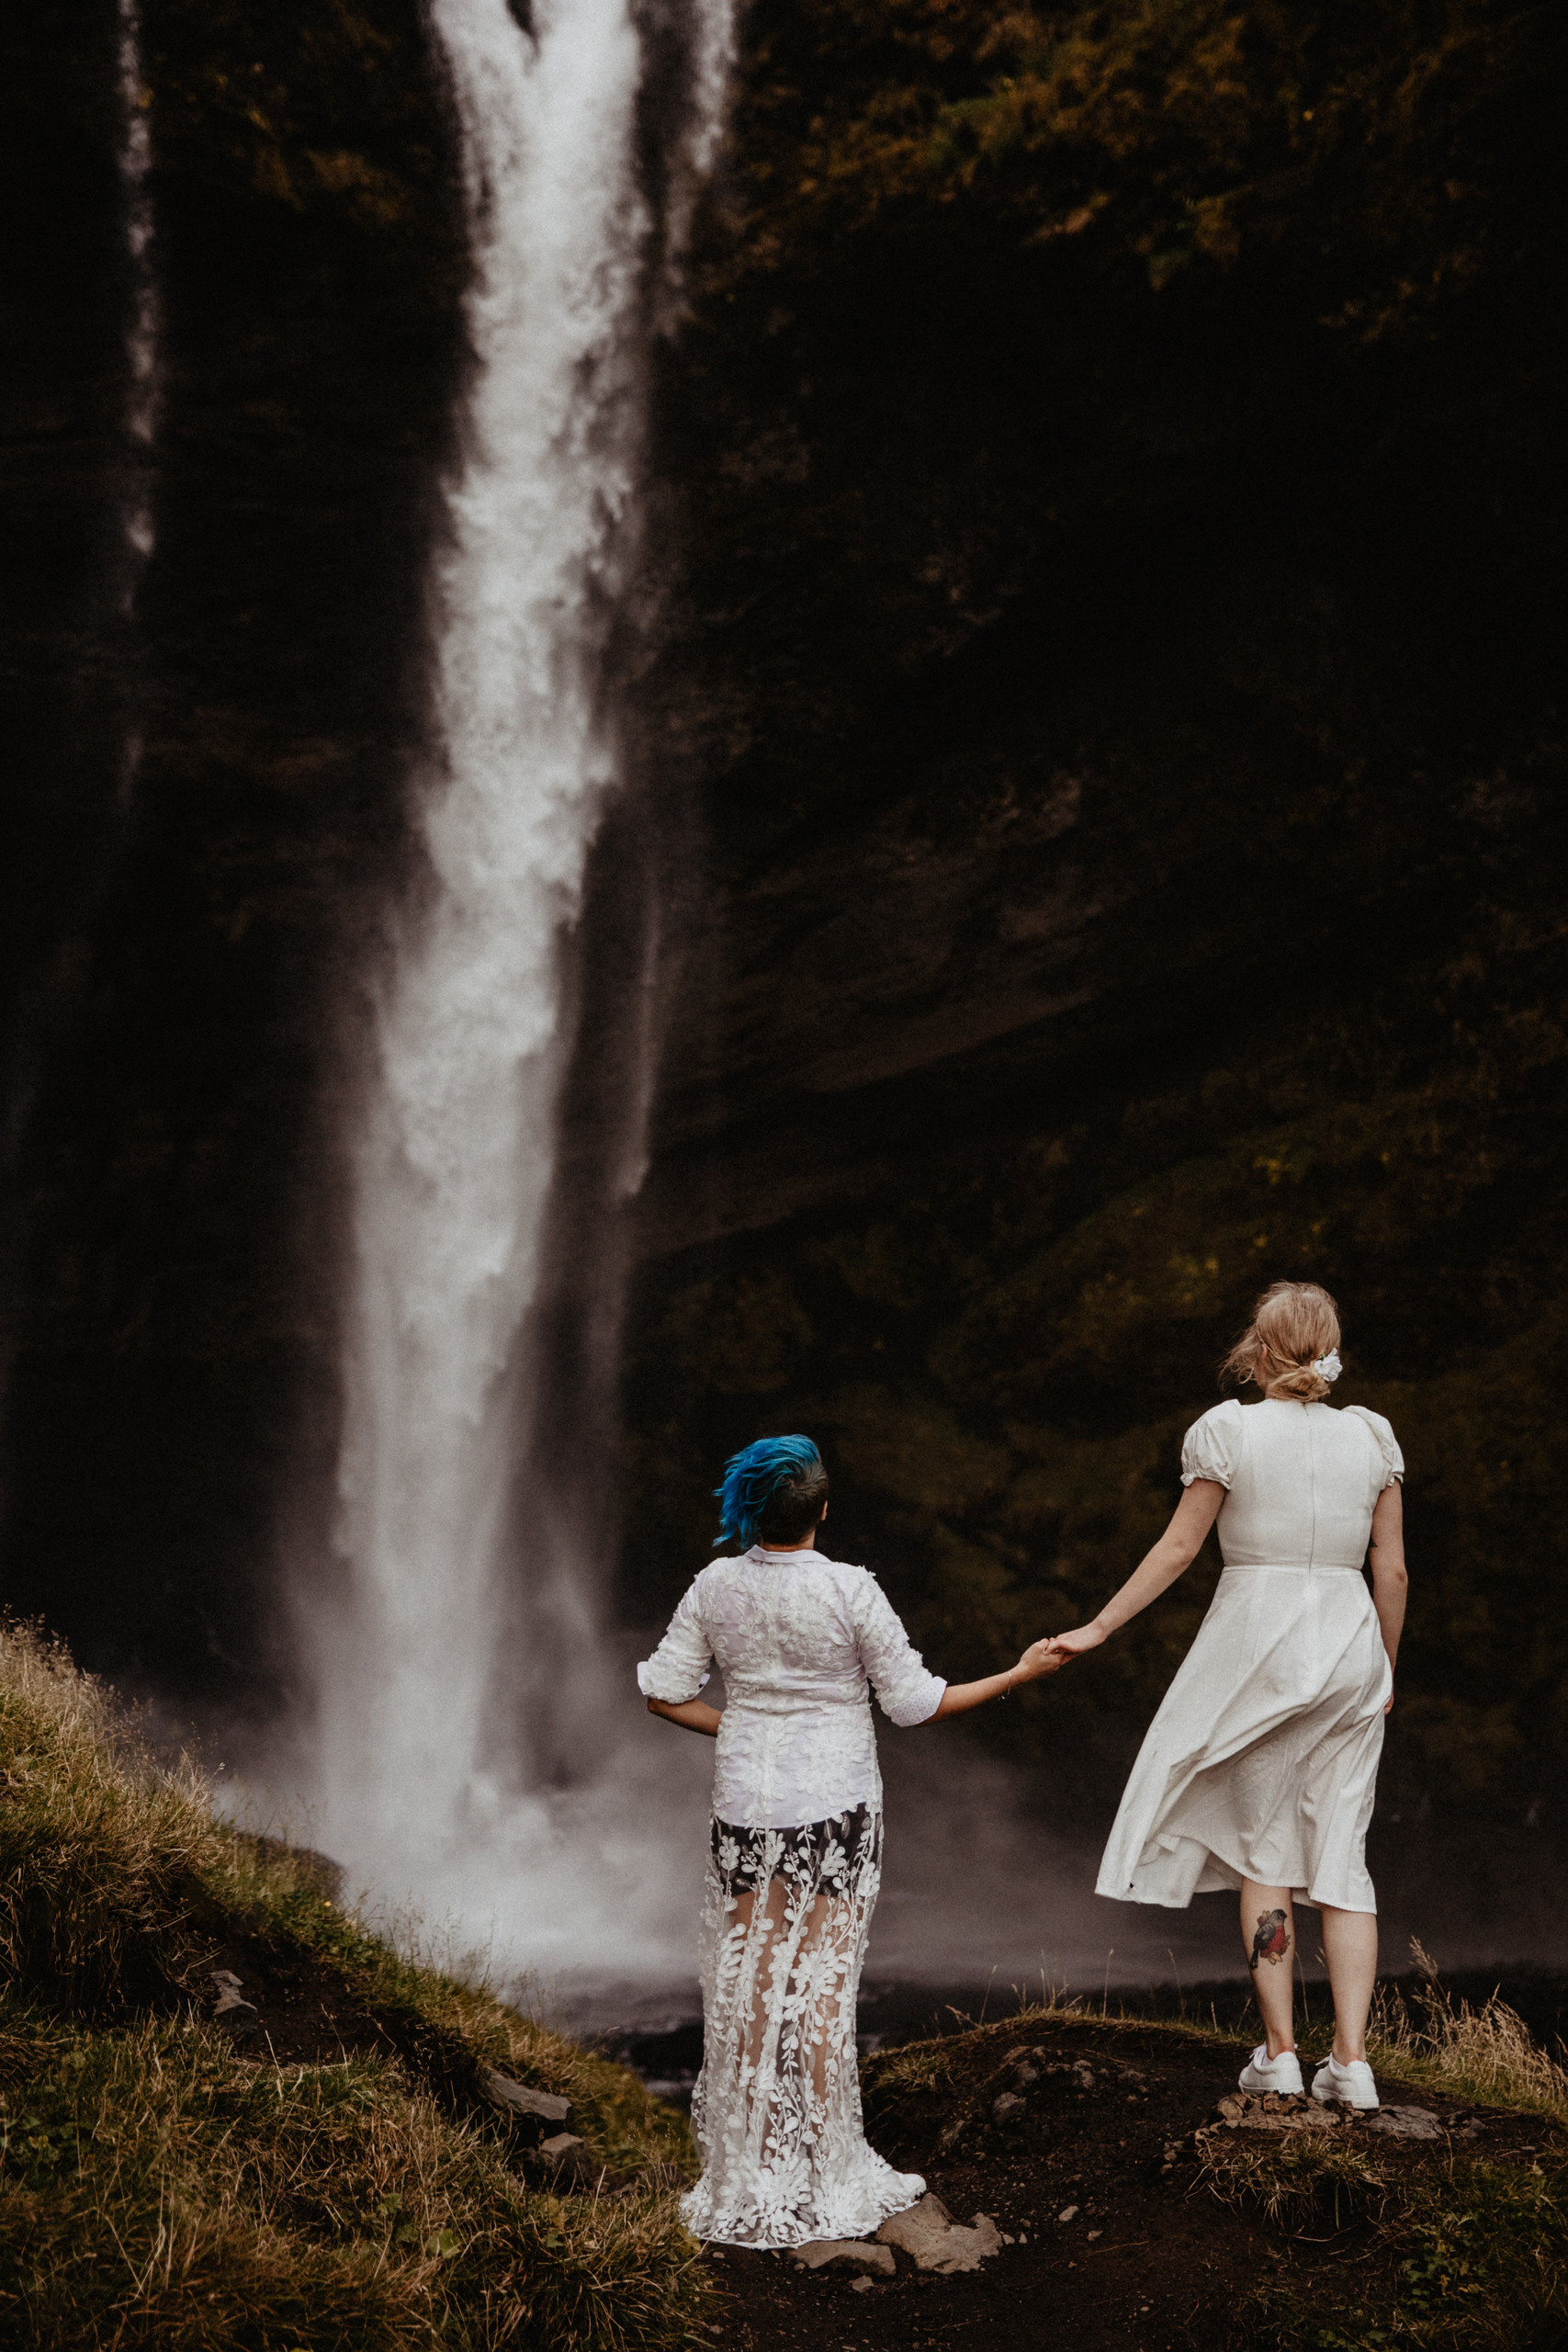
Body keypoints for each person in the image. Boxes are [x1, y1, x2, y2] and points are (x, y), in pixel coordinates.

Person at [638, 1433, 1061, 2248]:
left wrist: (739, 1729)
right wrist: (1017, 1673)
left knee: (751, 1982)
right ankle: (825, 2166)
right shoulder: (849, 1591)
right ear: (822, 1512)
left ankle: (748, 2170)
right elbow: (914, 1704)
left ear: (751, 1510)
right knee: (824, 1984)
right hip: (832, 1803)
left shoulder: (715, 1586)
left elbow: (662, 1695)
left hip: (745, 1807)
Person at [1046, 1281, 1407, 2111]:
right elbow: (1388, 1568)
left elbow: (1179, 1549)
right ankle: (1351, 2064)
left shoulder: (1228, 1430)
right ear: (1328, 1346)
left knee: (1263, 1850)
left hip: (1258, 1647)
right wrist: (1384, 1665)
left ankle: (1280, 2054)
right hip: (1350, 1645)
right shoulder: (1371, 1436)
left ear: (1258, 1346)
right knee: (1341, 1854)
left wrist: (1098, 1628)